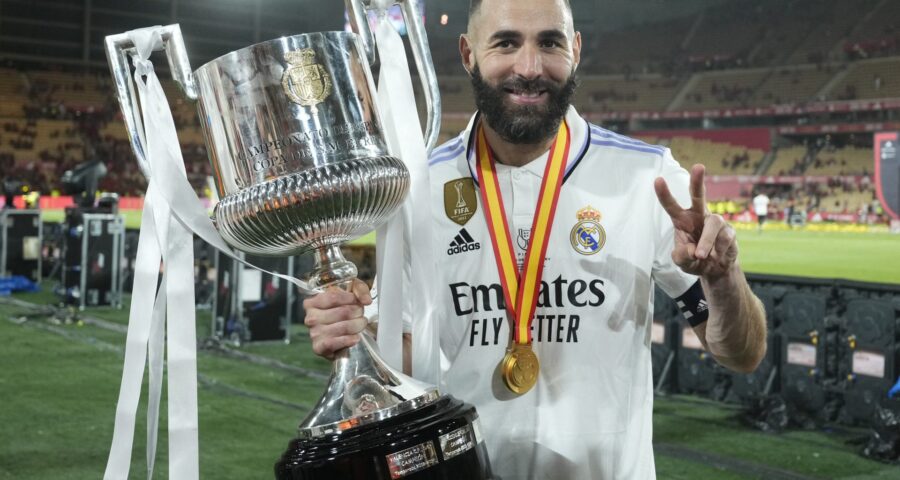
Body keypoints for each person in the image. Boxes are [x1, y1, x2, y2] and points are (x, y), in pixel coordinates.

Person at [302, 0, 768, 478]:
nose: (529, 67)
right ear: (468, 53)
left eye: (550, 42)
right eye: (506, 42)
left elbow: (741, 353)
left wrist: (723, 278)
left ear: (576, 50)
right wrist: (354, 331)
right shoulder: (420, 189)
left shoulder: (645, 178)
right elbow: (406, 355)